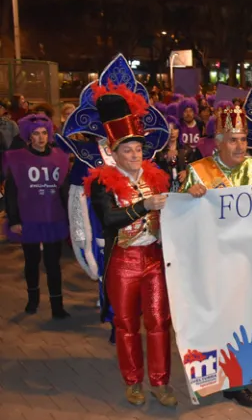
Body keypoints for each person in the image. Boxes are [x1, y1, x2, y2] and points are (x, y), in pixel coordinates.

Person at [84, 85, 177, 407]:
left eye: (138, 149)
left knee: (159, 322)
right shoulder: (101, 182)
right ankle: (133, 381)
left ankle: (161, 382)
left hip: (154, 259)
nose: (135, 155)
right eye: (128, 150)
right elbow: (109, 219)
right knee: (126, 324)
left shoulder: (156, 177)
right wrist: (144, 205)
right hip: (123, 262)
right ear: (113, 153)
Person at [181, 103, 252, 408]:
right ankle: (213, 378)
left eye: (244, 139)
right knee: (216, 321)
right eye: (233, 140)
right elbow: (177, 218)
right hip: (212, 262)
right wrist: (188, 196)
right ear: (218, 142)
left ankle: (239, 378)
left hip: (248, 260)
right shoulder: (198, 171)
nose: (240, 146)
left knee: (245, 320)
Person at [4, 113, 71, 318]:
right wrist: (14, 220)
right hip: (29, 218)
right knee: (31, 262)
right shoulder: (18, 159)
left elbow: (65, 191)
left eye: (44, 133)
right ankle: (32, 301)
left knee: (53, 264)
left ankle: (57, 306)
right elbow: (11, 193)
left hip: (53, 218)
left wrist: (70, 217)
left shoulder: (59, 157)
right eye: (36, 134)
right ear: (28, 136)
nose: (41, 138)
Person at [154, 116, 192, 193]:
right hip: (165, 192)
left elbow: (196, 169)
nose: (172, 132)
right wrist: (164, 158)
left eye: (175, 128)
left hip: (184, 191)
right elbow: (153, 173)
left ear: (179, 131)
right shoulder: (157, 152)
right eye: (168, 129)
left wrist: (187, 172)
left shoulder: (187, 150)